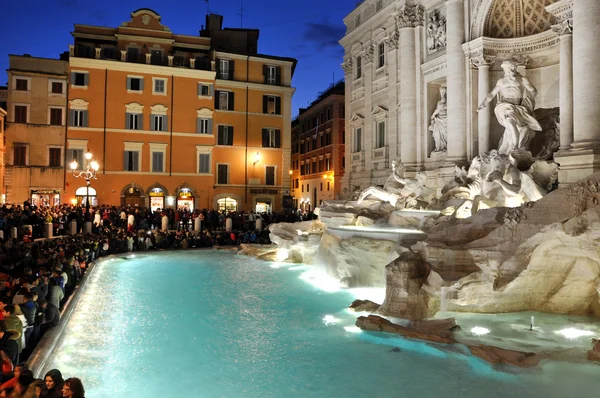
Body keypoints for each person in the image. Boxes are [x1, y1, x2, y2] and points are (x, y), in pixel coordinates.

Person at [477, 59, 542, 155]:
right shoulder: (501, 81)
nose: (507, 71)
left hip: (518, 107)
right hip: (505, 106)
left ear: (513, 68)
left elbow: (533, 91)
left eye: (508, 68)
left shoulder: (523, 79)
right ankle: (515, 147)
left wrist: (527, 102)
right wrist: (484, 103)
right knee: (510, 122)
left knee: (516, 126)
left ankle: (515, 148)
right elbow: (491, 94)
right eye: (505, 69)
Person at [429, 86, 448, 154]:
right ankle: (439, 148)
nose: (443, 94)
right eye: (442, 92)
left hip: (446, 120)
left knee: (445, 136)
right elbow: (437, 111)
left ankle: (444, 148)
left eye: (444, 92)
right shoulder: (439, 103)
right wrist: (433, 118)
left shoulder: (449, 102)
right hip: (439, 120)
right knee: (437, 135)